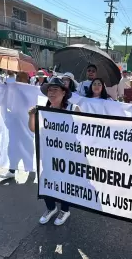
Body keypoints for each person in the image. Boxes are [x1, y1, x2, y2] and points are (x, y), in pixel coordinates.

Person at [28, 77, 80, 226]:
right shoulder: (44, 110)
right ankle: (50, 208)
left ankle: (65, 209)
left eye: (55, 89)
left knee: (65, 182)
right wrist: (31, 115)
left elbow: (83, 131)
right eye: (49, 90)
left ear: (64, 92)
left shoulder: (73, 108)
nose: (51, 93)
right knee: (46, 181)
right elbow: (33, 129)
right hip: (49, 153)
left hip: (68, 154)